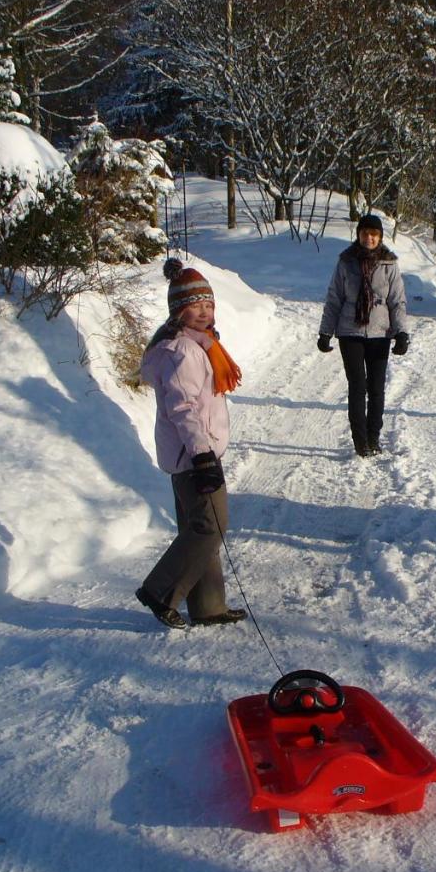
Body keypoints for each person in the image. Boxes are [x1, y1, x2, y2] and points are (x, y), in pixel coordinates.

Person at [135, 257, 249, 629]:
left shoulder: (199, 345)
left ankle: (208, 606)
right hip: (192, 455)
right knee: (209, 527)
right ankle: (160, 591)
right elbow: (183, 408)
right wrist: (202, 454)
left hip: (190, 454)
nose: (203, 312)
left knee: (199, 528)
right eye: (195, 306)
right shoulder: (183, 351)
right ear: (178, 311)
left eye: (208, 304)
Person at [318, 214, 410, 457]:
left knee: (377, 388)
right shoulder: (346, 262)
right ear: (358, 235)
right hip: (350, 331)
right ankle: (360, 442)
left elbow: (397, 301)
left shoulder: (389, 264)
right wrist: (325, 332)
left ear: (380, 237)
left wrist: (401, 333)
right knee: (357, 387)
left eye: (374, 234)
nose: (369, 238)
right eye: (365, 233)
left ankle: (373, 437)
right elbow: (334, 298)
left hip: (380, 333)